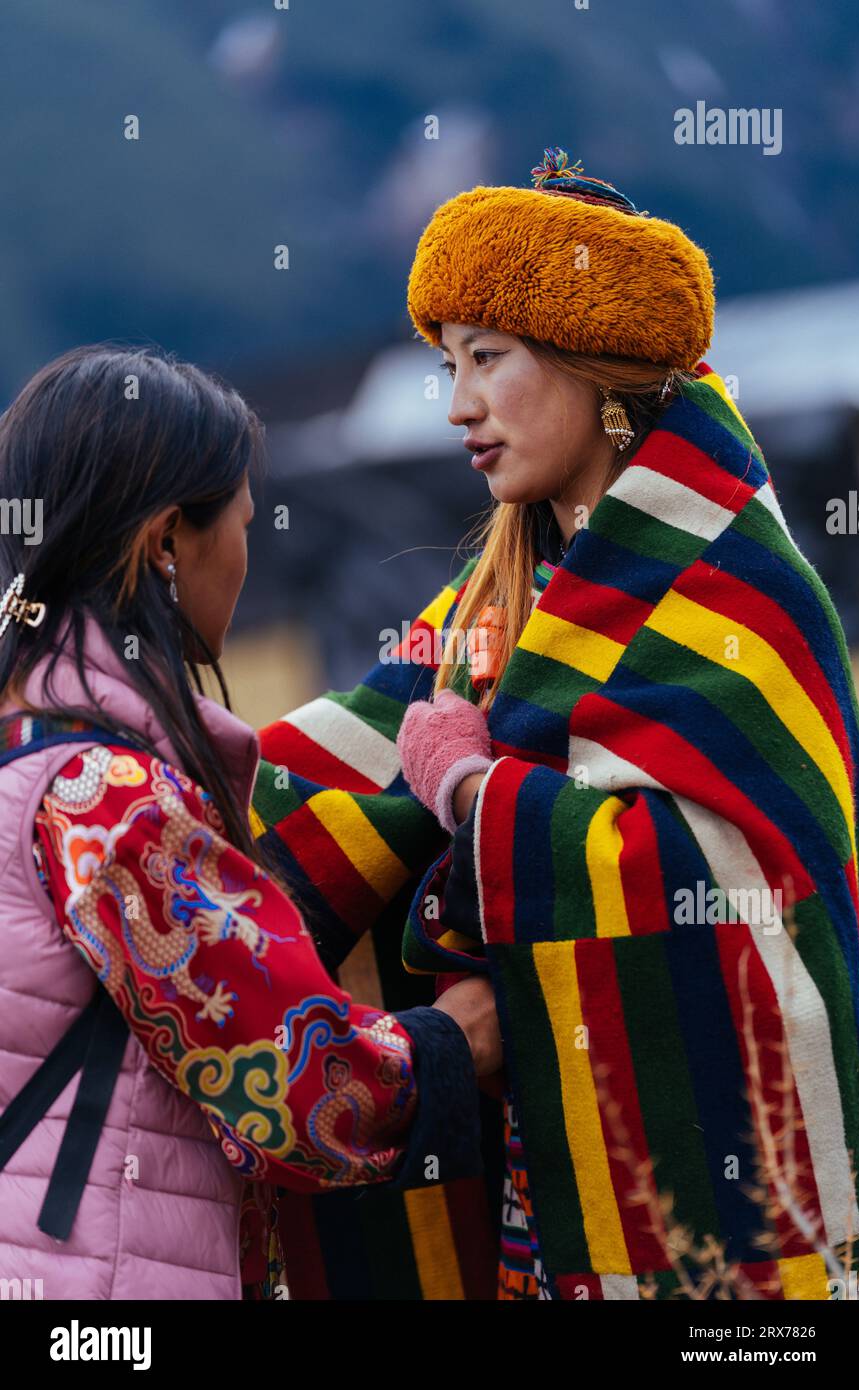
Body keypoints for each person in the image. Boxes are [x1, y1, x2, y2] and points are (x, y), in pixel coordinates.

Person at [254, 147, 859, 1300]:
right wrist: (146, 763)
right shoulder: (507, 592)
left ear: (596, 365)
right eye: (445, 364)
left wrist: (471, 796)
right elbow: (346, 749)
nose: (455, 405)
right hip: (544, 1185)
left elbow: (717, 882)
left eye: (486, 359)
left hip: (710, 1231)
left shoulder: (740, 589)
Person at [0, 344, 501, 1301]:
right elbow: (292, 1082)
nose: (245, 549)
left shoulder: (22, 753)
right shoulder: (105, 796)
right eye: (236, 520)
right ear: (164, 542)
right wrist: (455, 1039)